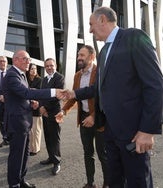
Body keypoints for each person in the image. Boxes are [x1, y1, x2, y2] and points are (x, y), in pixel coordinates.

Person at [62, 7, 163, 187]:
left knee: (138, 181)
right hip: (110, 131)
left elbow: (155, 85)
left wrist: (147, 131)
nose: (90, 30)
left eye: (91, 24)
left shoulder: (133, 37)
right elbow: (99, 88)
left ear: (102, 20)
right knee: (115, 181)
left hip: (133, 134)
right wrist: (75, 93)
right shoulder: (103, 53)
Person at [2, 50, 64, 188]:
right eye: (26, 59)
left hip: (24, 122)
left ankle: (21, 180)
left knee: (24, 155)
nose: (28, 62)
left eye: (29, 59)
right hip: (16, 123)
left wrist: (31, 103)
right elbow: (26, 92)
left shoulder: (21, 75)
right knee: (16, 156)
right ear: (16, 60)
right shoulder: (12, 75)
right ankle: (14, 184)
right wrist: (54, 91)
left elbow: (22, 96)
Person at [55, 45, 108, 188]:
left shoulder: (100, 72)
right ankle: (90, 183)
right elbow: (74, 96)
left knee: (103, 155)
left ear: (92, 56)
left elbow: (105, 98)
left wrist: (93, 116)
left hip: (100, 118)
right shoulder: (77, 75)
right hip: (84, 118)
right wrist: (64, 111)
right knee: (88, 153)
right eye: (78, 55)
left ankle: (107, 184)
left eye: (82, 55)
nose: (79, 58)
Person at [39, 58, 65, 176]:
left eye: (51, 65)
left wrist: (45, 107)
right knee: (47, 136)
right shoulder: (44, 79)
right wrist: (41, 106)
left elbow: (57, 96)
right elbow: (41, 94)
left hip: (54, 112)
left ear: (55, 66)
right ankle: (50, 157)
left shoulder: (59, 78)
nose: (49, 67)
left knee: (55, 137)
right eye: (47, 66)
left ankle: (57, 162)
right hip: (44, 112)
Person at [26, 63, 43, 156]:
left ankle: (35, 149)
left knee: (36, 129)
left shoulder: (40, 80)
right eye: (32, 68)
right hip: (27, 107)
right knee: (29, 130)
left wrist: (35, 100)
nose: (34, 70)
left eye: (35, 69)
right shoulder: (26, 79)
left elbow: (41, 93)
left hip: (36, 107)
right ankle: (29, 147)